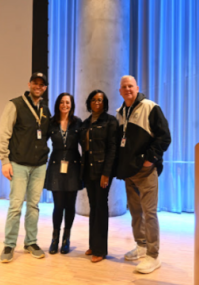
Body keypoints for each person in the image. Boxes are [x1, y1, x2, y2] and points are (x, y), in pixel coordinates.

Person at [115, 76, 170, 274]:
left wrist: (149, 160)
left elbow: (164, 137)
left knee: (149, 213)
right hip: (129, 173)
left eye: (130, 86)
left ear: (137, 88)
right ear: (120, 91)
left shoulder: (150, 107)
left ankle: (153, 255)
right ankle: (141, 245)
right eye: (124, 87)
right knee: (136, 213)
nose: (127, 89)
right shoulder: (120, 113)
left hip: (146, 171)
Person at [0, 72, 52, 262]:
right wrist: (4, 161)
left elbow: (46, 135)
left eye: (41, 84)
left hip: (39, 165)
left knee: (34, 206)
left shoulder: (45, 109)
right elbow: (4, 133)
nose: (38, 86)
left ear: (45, 88)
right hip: (18, 164)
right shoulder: (15, 105)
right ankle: (9, 244)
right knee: (15, 206)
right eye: (35, 83)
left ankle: (30, 242)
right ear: (29, 84)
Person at [80, 90, 119, 263]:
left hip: (102, 171)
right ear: (89, 103)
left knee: (101, 207)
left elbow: (113, 149)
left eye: (100, 100)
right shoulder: (86, 123)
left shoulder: (110, 121)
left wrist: (106, 173)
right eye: (94, 100)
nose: (97, 102)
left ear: (105, 103)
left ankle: (101, 250)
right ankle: (93, 245)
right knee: (93, 207)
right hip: (88, 170)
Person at [43, 93, 83, 255]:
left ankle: (66, 239)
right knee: (58, 205)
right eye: (62, 102)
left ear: (71, 105)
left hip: (73, 166)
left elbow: (85, 145)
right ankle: (55, 239)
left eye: (67, 102)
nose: (64, 105)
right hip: (56, 165)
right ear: (58, 104)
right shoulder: (51, 123)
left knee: (70, 205)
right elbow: (41, 142)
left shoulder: (77, 122)